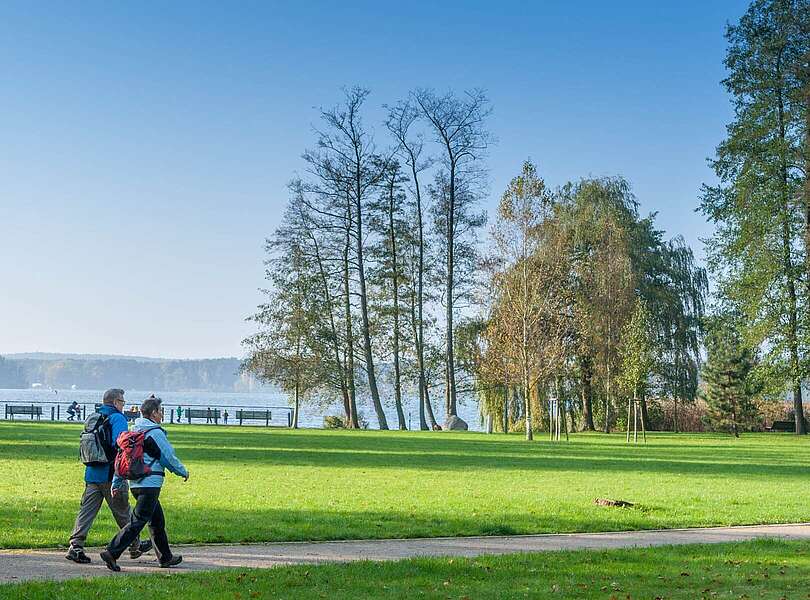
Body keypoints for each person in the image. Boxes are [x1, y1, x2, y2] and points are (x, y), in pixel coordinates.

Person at [101, 395, 189, 572]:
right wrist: (182, 471)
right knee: (138, 521)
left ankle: (165, 557)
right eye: (160, 411)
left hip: (135, 483)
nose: (162, 414)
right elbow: (168, 457)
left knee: (157, 521)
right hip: (151, 483)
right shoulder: (155, 433)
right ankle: (112, 551)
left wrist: (117, 483)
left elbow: (121, 459)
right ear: (154, 412)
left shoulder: (133, 432)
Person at [65, 389, 151, 564]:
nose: (123, 404)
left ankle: (75, 546)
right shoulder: (117, 418)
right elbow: (121, 444)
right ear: (115, 402)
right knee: (123, 511)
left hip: (91, 473)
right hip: (111, 473)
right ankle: (135, 546)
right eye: (122, 401)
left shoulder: (94, 416)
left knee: (86, 512)